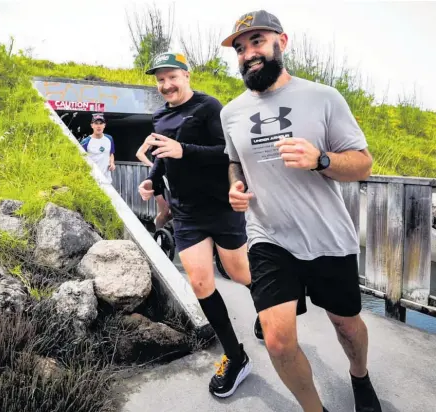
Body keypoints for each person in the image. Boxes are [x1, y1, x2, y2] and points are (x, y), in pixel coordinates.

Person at [220, 10, 382, 412]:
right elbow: (234, 160)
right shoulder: (231, 112)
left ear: (282, 42)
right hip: (269, 236)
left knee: (346, 325)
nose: (247, 53)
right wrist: (235, 186)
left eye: (257, 41)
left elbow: (363, 163)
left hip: (327, 235)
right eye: (240, 48)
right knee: (276, 340)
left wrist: (321, 160)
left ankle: (359, 376)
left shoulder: (323, 97)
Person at [137, 51, 253, 398]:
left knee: (240, 273)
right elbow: (163, 157)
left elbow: (226, 152)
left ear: (187, 75)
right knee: (201, 282)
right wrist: (153, 182)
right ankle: (236, 357)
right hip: (185, 212)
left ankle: (268, 308)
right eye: (159, 80)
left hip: (220, 206)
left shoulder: (209, 107)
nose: (166, 85)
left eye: (172, 76)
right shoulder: (159, 116)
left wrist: (184, 149)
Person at [136, 141, 172, 230]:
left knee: (171, 210)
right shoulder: (152, 137)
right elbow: (139, 154)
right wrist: (153, 165)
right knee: (164, 211)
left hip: (167, 176)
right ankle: (158, 236)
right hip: (157, 178)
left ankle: (164, 233)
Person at [80, 113, 116, 183]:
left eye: (101, 123)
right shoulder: (86, 141)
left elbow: (111, 153)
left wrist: (112, 163)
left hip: (107, 179)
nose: (98, 126)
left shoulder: (109, 139)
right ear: (92, 125)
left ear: (104, 125)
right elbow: (80, 159)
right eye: (96, 123)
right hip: (92, 179)